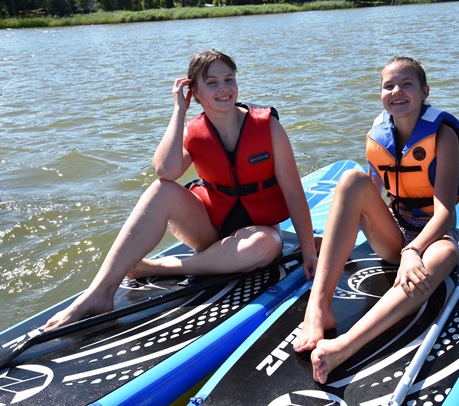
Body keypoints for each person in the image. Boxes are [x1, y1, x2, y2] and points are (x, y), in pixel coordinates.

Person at [45, 49, 317, 331]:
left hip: (258, 232)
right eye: (211, 82)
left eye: (229, 79)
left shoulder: (268, 127)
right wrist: (178, 111)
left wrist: (308, 251)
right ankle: (99, 293)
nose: (224, 88)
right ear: (194, 92)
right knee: (160, 190)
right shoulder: (193, 132)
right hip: (210, 227)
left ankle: (161, 268)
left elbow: (293, 192)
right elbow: (165, 171)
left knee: (262, 246)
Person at [292, 56, 459, 384]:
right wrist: (331, 240)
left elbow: (445, 212)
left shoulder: (443, 135)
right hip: (395, 232)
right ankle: (318, 309)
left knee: (447, 253)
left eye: (406, 84)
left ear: (425, 91)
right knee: (351, 179)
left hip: (432, 235)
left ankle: (345, 345)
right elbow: (367, 196)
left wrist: (414, 250)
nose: (396, 91)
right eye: (389, 86)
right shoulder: (377, 134)